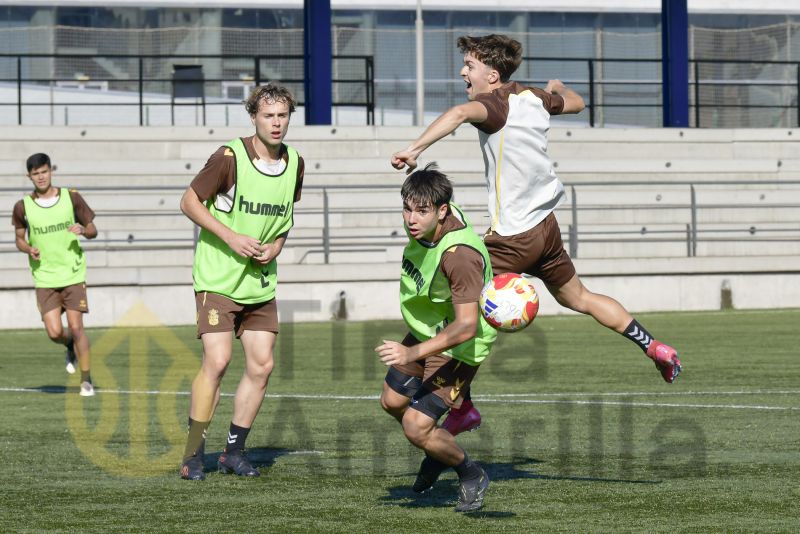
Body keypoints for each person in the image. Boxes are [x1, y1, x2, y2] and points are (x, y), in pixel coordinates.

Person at [391, 34, 682, 436]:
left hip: (510, 238)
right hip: (546, 228)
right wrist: (557, 90)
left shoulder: (493, 105)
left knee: (456, 306)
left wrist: (414, 148)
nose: (463, 72)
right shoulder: (534, 97)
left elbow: (458, 113)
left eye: (470, 66)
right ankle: (654, 346)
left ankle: (461, 407)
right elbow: (578, 103)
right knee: (579, 297)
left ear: (492, 76)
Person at [179, 83, 304, 481]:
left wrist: (277, 246)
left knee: (262, 366)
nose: (276, 123)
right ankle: (193, 451)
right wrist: (231, 237)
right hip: (218, 278)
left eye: (282, 115)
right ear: (254, 117)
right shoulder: (229, 157)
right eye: (268, 115)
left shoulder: (296, 163)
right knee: (217, 361)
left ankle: (233, 451)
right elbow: (189, 201)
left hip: (260, 284)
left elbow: (284, 222)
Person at [376, 164, 495, 512]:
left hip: (460, 346)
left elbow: (466, 327)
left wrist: (409, 353)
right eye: (407, 208)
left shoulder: (460, 258)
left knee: (415, 427)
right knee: (392, 401)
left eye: (422, 211)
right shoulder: (435, 216)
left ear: (443, 212)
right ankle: (436, 446)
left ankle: (470, 472)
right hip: (429, 326)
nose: (411, 218)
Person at [12, 153, 97, 397]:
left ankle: (86, 380)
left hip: (72, 273)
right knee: (54, 332)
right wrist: (28, 248)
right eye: (35, 173)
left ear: (51, 171)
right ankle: (68, 345)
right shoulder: (22, 207)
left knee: (76, 326)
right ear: (29, 176)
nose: (40, 177)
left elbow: (93, 230)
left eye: (44, 171)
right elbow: (18, 239)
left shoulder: (71, 197)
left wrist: (83, 229)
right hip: (45, 277)